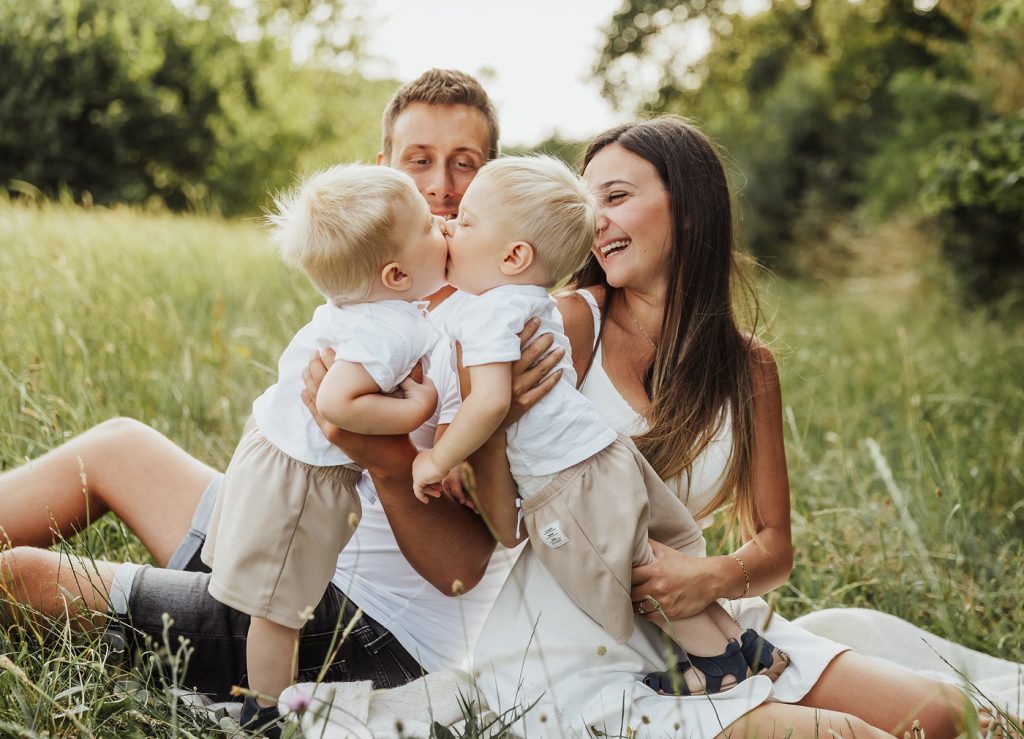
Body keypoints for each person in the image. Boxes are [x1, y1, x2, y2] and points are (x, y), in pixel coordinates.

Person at [0, 69, 546, 729]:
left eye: (466, 164)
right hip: (293, 522)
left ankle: (263, 704)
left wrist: (384, 453)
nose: (441, 185)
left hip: (365, 623)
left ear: (491, 180)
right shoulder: (381, 290)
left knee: (23, 577)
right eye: (419, 161)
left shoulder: (488, 334)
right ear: (383, 174)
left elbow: (469, 571)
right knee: (119, 446)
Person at [468, 117, 974, 738]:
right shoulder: (566, 326)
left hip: (709, 621)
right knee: (843, 735)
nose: (594, 219)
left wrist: (711, 576)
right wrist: (490, 429)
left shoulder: (749, 367)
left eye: (617, 197)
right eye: (585, 200)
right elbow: (507, 517)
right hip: (576, 640)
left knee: (948, 716)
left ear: (689, 210)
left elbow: (773, 546)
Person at [413, 155, 788, 696]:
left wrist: (439, 456)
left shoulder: (490, 312)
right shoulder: (536, 306)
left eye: (615, 197)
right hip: (602, 466)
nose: (450, 225)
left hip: (567, 481)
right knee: (640, 557)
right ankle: (737, 645)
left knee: (631, 568)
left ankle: (717, 663)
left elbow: (489, 401)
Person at [199, 164, 450, 730]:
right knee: (280, 611)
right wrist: (417, 409)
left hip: (275, 449)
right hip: (302, 477)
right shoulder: (391, 329)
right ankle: (264, 711)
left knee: (265, 589)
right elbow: (337, 403)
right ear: (394, 273)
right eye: (430, 228)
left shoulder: (372, 308)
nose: (443, 225)